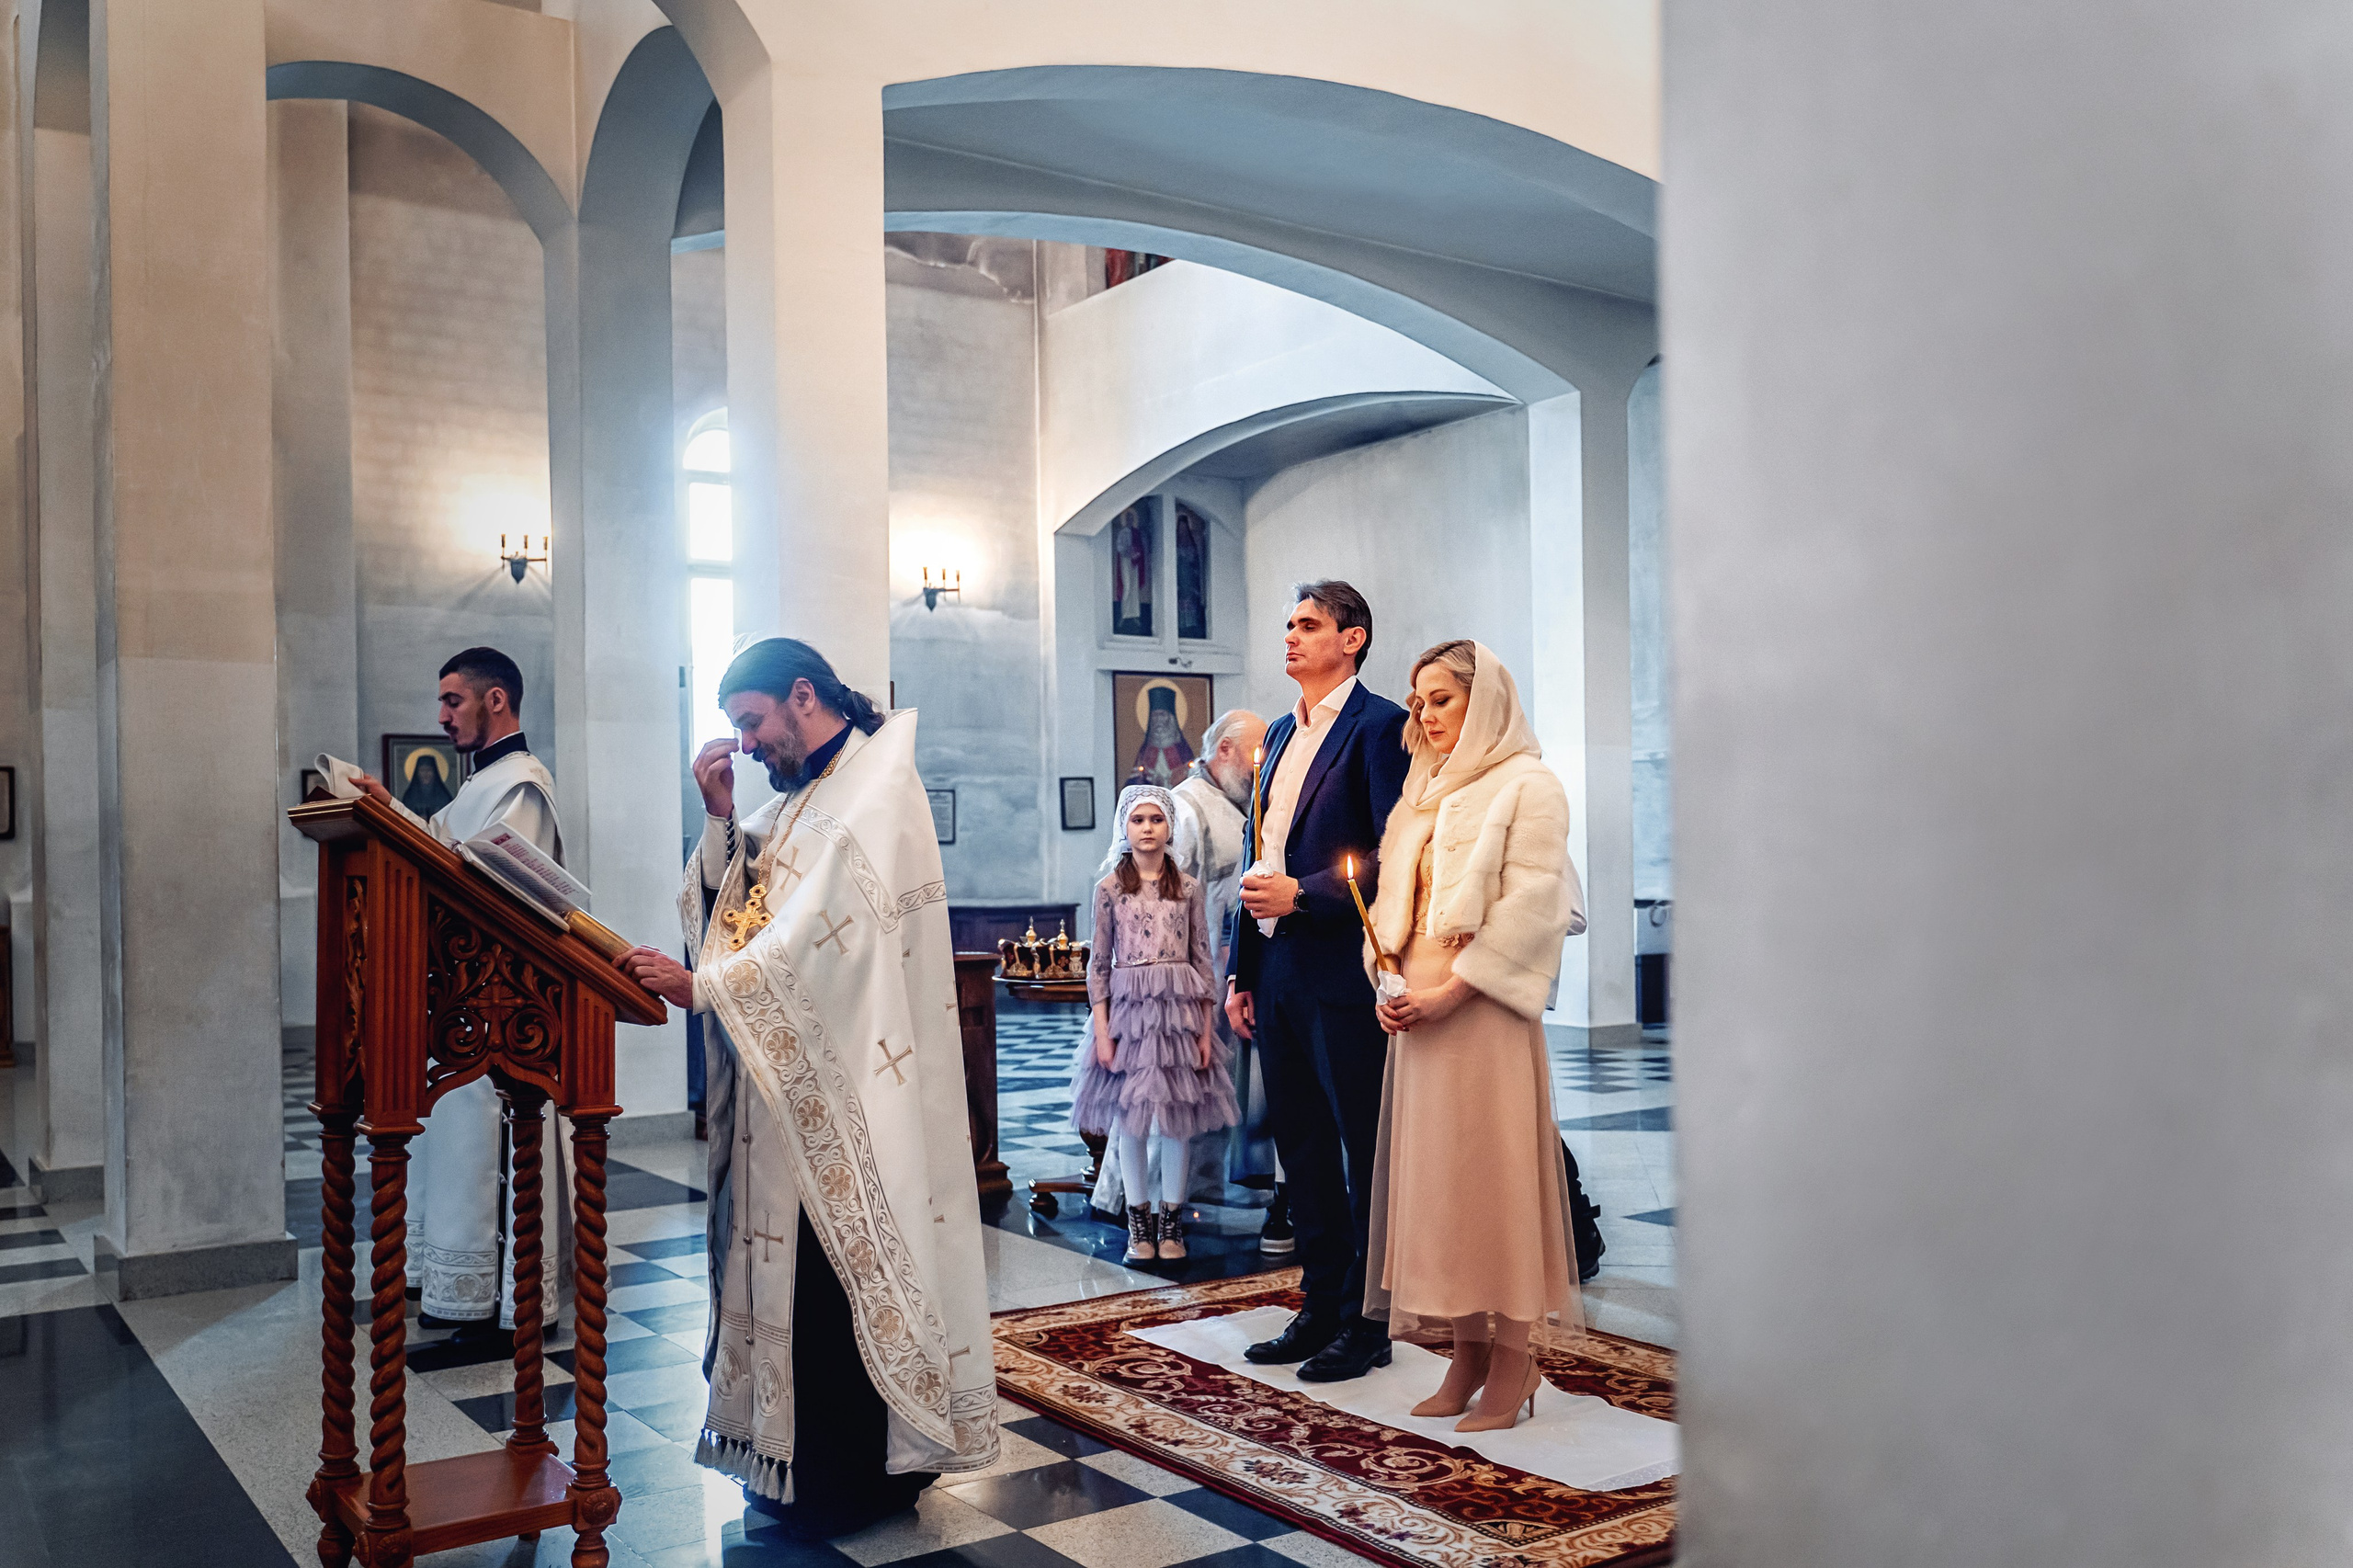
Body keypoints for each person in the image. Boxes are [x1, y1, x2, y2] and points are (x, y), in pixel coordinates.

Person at [619, 637, 998, 1540]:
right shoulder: (802, 801)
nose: (745, 744)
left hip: (854, 1092)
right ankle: (789, 1461)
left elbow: (817, 944)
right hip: (786, 1087)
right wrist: (720, 816)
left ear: (802, 695)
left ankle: (850, 1475)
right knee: (790, 1277)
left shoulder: (874, 786)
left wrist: (706, 984)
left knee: (835, 1278)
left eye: (751, 722)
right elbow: (750, 898)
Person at [1363, 640, 1586, 1433]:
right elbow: (1390, 897)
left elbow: (1536, 907)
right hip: (1418, 1012)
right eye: (1418, 701)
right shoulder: (1421, 791)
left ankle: (1517, 1356)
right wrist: (1386, 977)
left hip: (1482, 1011)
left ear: (1483, 700)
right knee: (1439, 1183)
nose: (1424, 716)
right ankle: (1465, 1349)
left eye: (1441, 700)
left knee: (1492, 1180)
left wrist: (1456, 992)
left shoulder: (1531, 785)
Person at [1225, 582, 1410, 1382]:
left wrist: (1306, 894)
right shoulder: (1274, 731)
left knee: (1362, 1147)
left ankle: (1369, 1323)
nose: (1292, 638)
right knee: (1298, 1145)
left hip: (1339, 965)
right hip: (1277, 967)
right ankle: (1320, 1303)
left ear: (1353, 639)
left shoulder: (1379, 729)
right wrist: (1242, 965)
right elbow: (1256, 849)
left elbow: (1391, 852)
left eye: (1309, 626)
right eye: (1289, 626)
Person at [352, 646, 565, 1335]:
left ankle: (496, 1292)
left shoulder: (521, 784)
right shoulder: (480, 784)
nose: (441, 716)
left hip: (499, 1003)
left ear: (495, 699)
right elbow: (446, 852)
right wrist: (389, 814)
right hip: (458, 1000)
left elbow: (501, 889)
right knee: (450, 1139)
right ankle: (449, 1278)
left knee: (485, 1142)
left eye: (453, 701)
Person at [1088, 709, 1268, 1223]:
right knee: (1153, 1096)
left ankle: (1190, 1192)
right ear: (1225, 750)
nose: (1261, 764)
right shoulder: (1186, 807)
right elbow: (1146, 890)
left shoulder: (1236, 806)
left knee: (1197, 1092)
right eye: (1253, 752)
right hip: (1169, 984)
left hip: (1218, 975)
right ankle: (1130, 1203)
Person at [1071, 784, 1238, 1263]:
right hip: (1129, 1017)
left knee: (1177, 1123)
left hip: (1179, 1016)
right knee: (1132, 1123)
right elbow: (1098, 964)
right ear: (1124, 827)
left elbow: (1202, 961)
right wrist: (1103, 1033)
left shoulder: (1187, 888)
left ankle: (1172, 1222)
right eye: (1138, 820)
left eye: (1156, 820)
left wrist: (1205, 1032)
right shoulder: (1109, 889)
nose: (1147, 828)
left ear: (1169, 827)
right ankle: (1137, 1224)